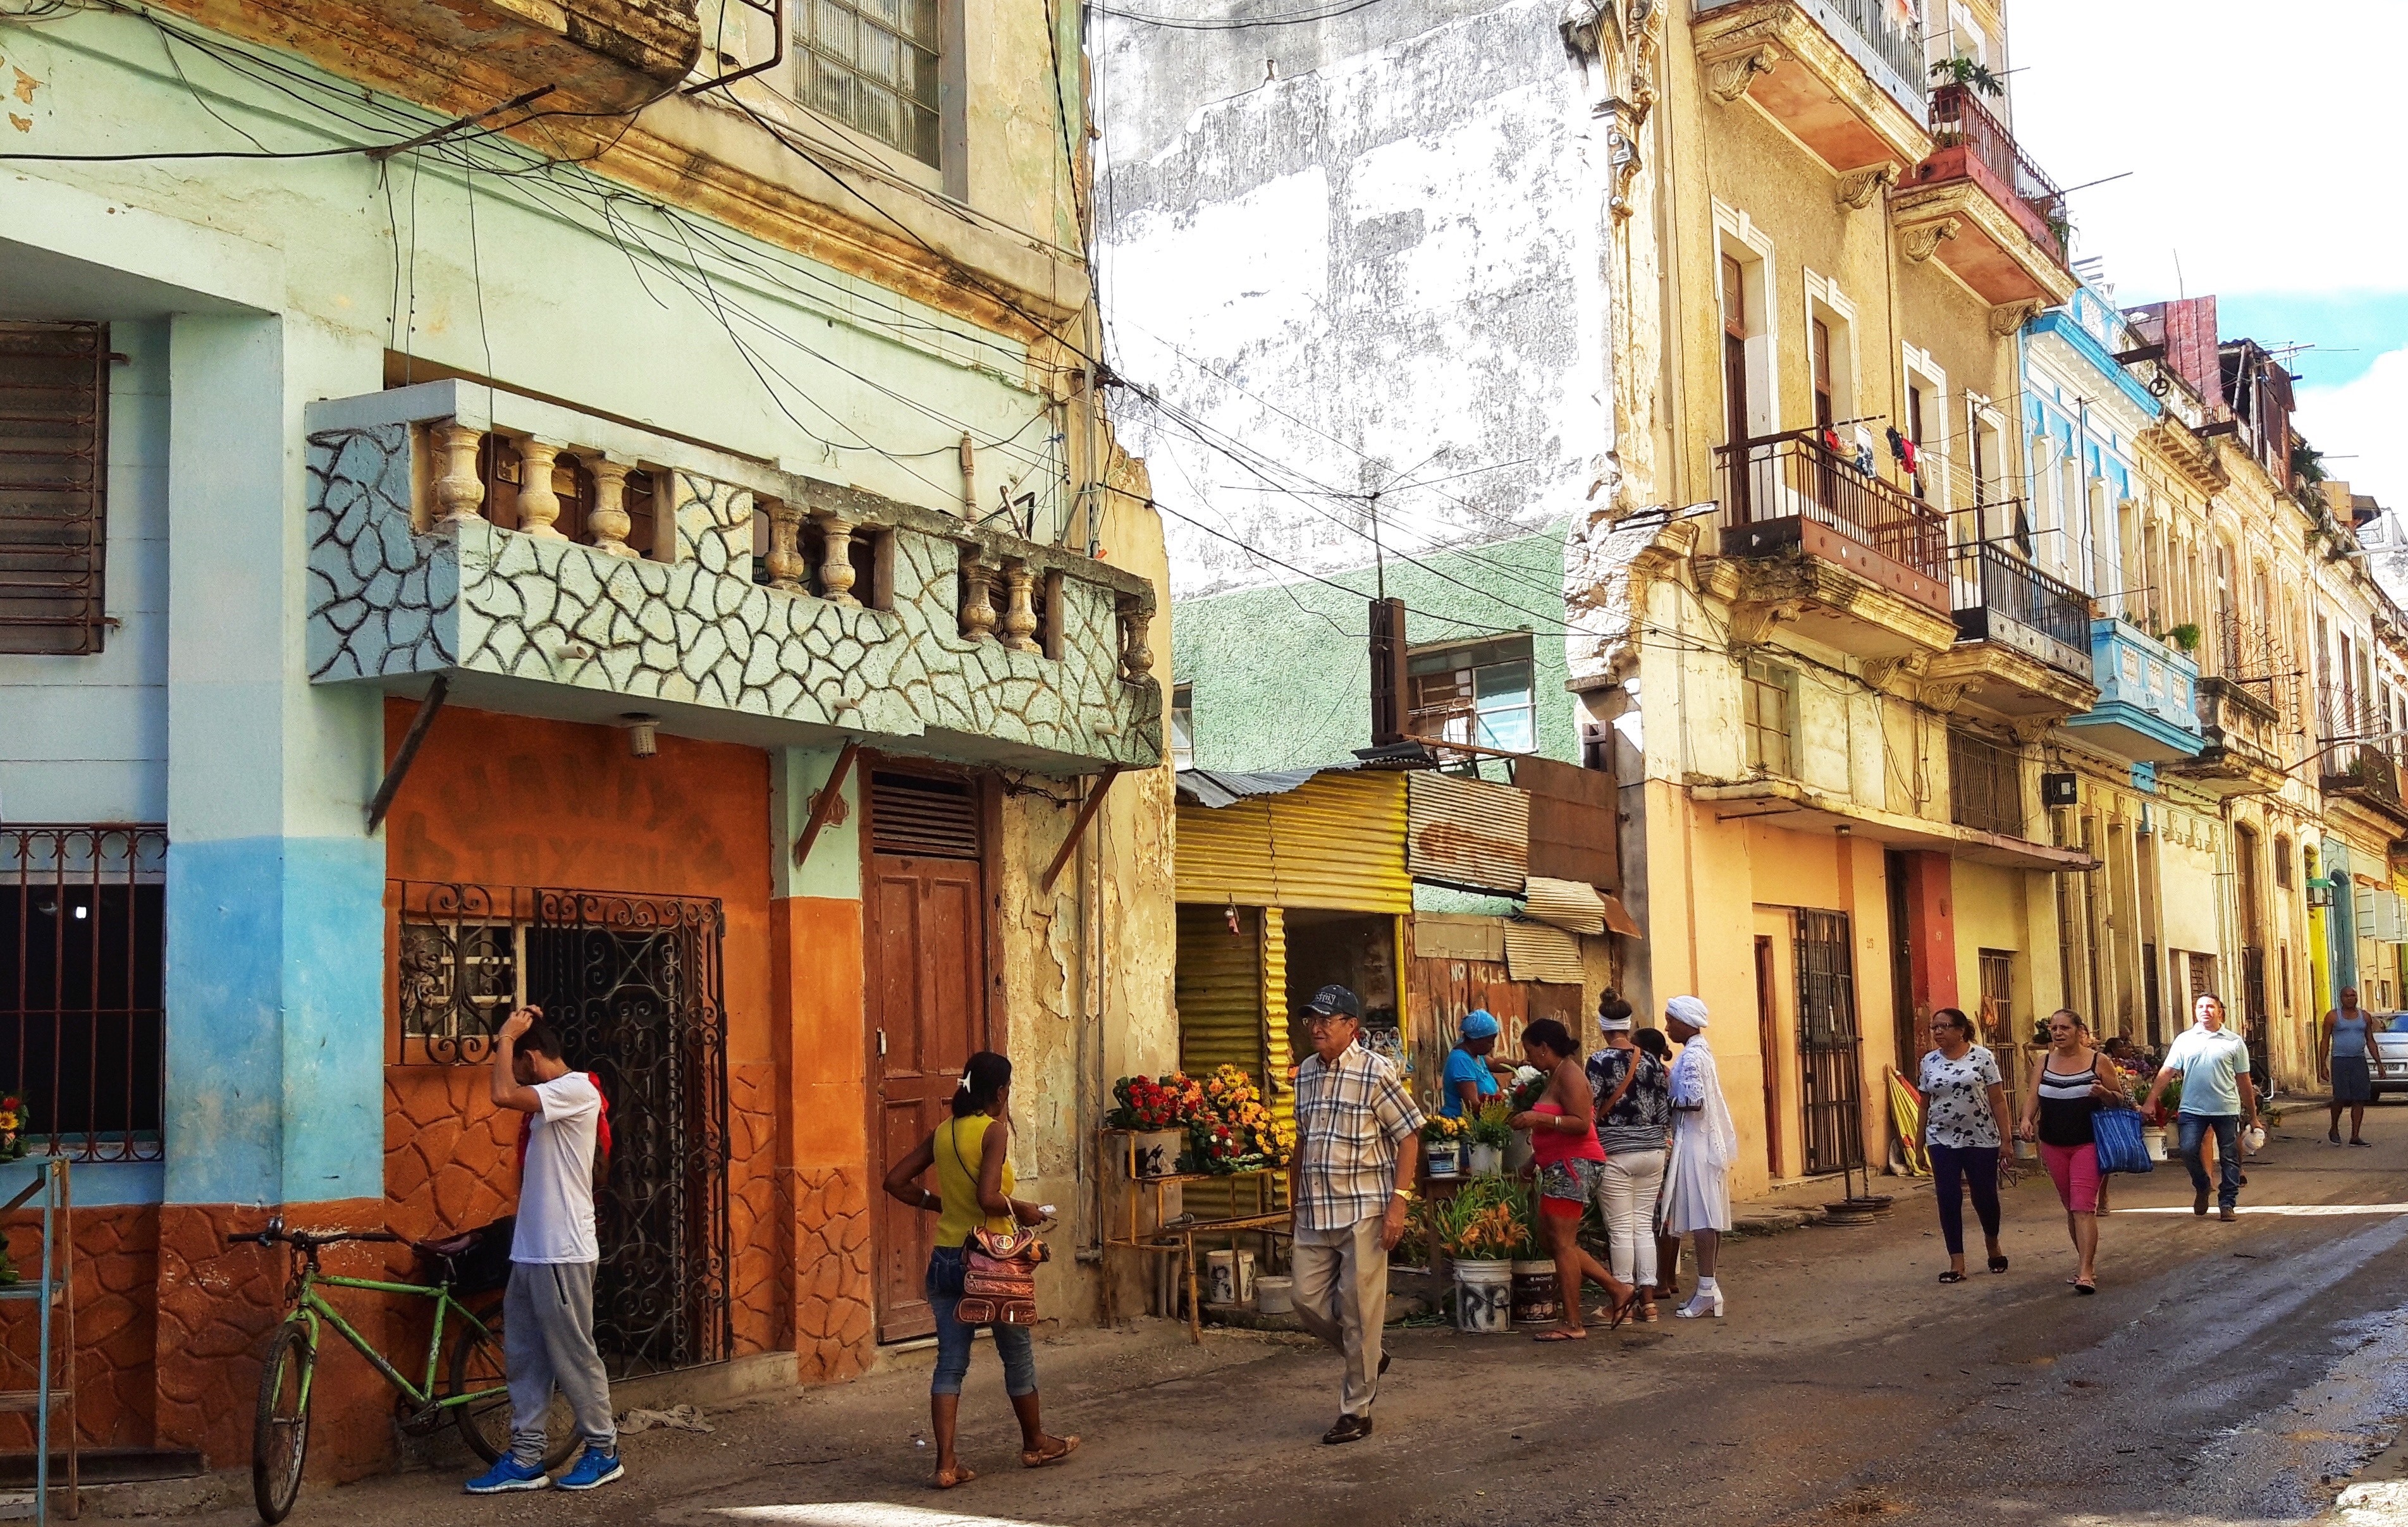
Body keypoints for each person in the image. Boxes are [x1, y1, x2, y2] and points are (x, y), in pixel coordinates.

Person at [880, 1052, 1075, 1489]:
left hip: (947, 1257)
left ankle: (946, 1463)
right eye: (1008, 1088)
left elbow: (894, 1181)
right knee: (1016, 1353)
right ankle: (1035, 1442)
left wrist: (940, 1205)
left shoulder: (944, 1131)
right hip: (993, 1260)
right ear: (1000, 1091)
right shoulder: (993, 1131)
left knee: (950, 1362)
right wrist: (1024, 1209)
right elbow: (989, 1197)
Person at [466, 1008, 622, 1494]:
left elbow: (501, 1093)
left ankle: (603, 1450)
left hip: (563, 1251)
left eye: (518, 1063)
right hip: (533, 1252)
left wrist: (506, 1035)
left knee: (574, 1353)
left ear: (531, 1059)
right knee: (526, 1357)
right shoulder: (550, 1101)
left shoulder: (576, 1089)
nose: (516, 1074)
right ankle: (527, 1457)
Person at [1289, 984, 1422, 1445]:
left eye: (1327, 1020)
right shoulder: (1306, 1072)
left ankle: (1356, 1410)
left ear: (1352, 1026)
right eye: (1312, 1019)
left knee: (1360, 1309)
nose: (1317, 1027)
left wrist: (1398, 1203)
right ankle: (1370, 1355)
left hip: (1365, 1208)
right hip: (1315, 1209)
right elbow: (1302, 1141)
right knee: (1304, 1299)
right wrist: (1294, 1202)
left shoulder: (1375, 1071)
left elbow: (1409, 1135)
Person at [1508, 1019, 1633, 1339]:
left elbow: (1580, 1124)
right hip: (1559, 1165)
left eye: (1530, 1051)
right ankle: (1617, 1289)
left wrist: (1538, 1117)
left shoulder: (1571, 1075)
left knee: (1562, 1244)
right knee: (1550, 1240)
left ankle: (1573, 1323)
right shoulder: (1557, 1074)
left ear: (1544, 1048)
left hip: (1573, 1165)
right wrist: (1533, 1161)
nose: (1528, 1058)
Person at [2015, 1009, 2120, 1294]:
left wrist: (2103, 1094)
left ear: (2079, 1031)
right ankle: (2085, 1263)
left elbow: (2119, 1100)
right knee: (2071, 1207)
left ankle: (2085, 1271)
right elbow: (2033, 1095)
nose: (2058, 1033)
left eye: (2065, 1028)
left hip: (2089, 1142)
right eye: (2054, 1028)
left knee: (2083, 1206)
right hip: (2053, 1143)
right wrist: (2026, 1119)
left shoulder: (2099, 1061)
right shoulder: (2044, 1061)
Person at [1587, 995, 1671, 1320]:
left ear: (1603, 1027)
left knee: (1621, 1229)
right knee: (1643, 1227)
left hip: (1616, 1153)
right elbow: (1663, 1110)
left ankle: (1620, 1302)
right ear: (1629, 1024)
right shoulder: (1651, 1061)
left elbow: (1591, 1106)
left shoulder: (1598, 1061)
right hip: (1652, 1152)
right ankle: (1648, 1304)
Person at [1916, 1007, 2013, 1283]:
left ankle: (1992, 1244)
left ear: (1961, 1030)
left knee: (1985, 1195)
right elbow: (1924, 1104)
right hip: (1941, 1137)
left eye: (1944, 1027)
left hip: (1980, 1137)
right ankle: (1956, 1261)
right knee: (1948, 1196)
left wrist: (2006, 1140)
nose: (1938, 1032)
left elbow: (1998, 1100)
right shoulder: (1929, 1061)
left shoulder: (1983, 1057)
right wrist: (1919, 1144)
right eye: (1934, 1027)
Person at [2145, 992, 2261, 1222]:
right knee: (2188, 1150)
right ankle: (2202, 1185)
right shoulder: (2185, 1040)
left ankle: (2227, 1203)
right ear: (2195, 1011)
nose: (2205, 1011)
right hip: (2192, 1109)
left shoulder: (2234, 1042)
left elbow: (2244, 1080)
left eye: (2210, 1007)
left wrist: (2253, 1116)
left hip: (2225, 1108)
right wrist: (2150, 1100)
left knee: (2229, 1157)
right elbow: (2167, 1071)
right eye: (2200, 1007)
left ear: (2220, 1012)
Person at [1661, 996, 1736, 1319]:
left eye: (1671, 1021)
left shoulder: (1692, 1056)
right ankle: (1708, 1287)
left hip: (1695, 1142)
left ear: (1685, 1023)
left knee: (1704, 1218)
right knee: (1709, 1215)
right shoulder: (1699, 1051)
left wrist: (1664, 1099)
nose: (1667, 1028)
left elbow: (1694, 1102)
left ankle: (1707, 1289)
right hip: (1704, 1141)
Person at [2323, 986, 2378, 1147]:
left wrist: (2379, 1063)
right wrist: (2323, 1065)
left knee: (2359, 1099)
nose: (2350, 998)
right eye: (2347, 996)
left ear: (2357, 997)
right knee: (2340, 1097)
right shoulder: (2333, 1017)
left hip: (2358, 1061)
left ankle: (2355, 1136)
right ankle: (2334, 1128)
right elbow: (2325, 1041)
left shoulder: (2365, 1017)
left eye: (2353, 995)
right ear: (2341, 998)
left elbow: (2370, 1040)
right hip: (2340, 1060)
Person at [1441, 1010, 1513, 1118]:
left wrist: (1520, 1064)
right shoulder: (1461, 1061)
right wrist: (1504, 1109)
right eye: (1490, 1041)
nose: (1493, 1046)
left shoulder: (1477, 1055)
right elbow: (1473, 1105)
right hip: (1460, 1123)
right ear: (1476, 1040)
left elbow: (1495, 1064)